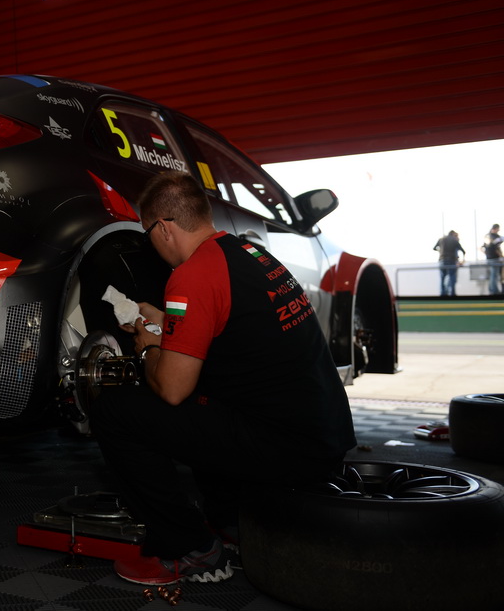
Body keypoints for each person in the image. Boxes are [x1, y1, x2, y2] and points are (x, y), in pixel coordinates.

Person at [91, 170, 356, 586]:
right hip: (321, 437)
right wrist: (165, 321)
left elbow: (172, 390)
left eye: (148, 233)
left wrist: (147, 346)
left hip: (285, 450)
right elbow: (228, 334)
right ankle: (231, 520)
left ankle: (189, 548)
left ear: (163, 228)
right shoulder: (250, 256)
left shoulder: (192, 275)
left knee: (114, 409)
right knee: (209, 394)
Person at [433, 230, 465, 297]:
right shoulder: (454, 240)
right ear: (453, 234)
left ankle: (443, 294)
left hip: (442, 260)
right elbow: (463, 251)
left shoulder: (441, 239)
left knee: (442, 278)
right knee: (452, 277)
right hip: (451, 261)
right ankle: (452, 294)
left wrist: (440, 251)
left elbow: (434, 248)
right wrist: (463, 260)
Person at [483, 224, 502, 295]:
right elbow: (495, 248)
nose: (499, 230)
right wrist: (501, 256)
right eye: (498, 229)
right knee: (494, 275)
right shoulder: (495, 237)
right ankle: (495, 292)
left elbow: (482, 247)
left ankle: (491, 290)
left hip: (489, 258)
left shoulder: (487, 236)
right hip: (494, 258)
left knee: (492, 275)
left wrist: (487, 254)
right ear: (495, 228)